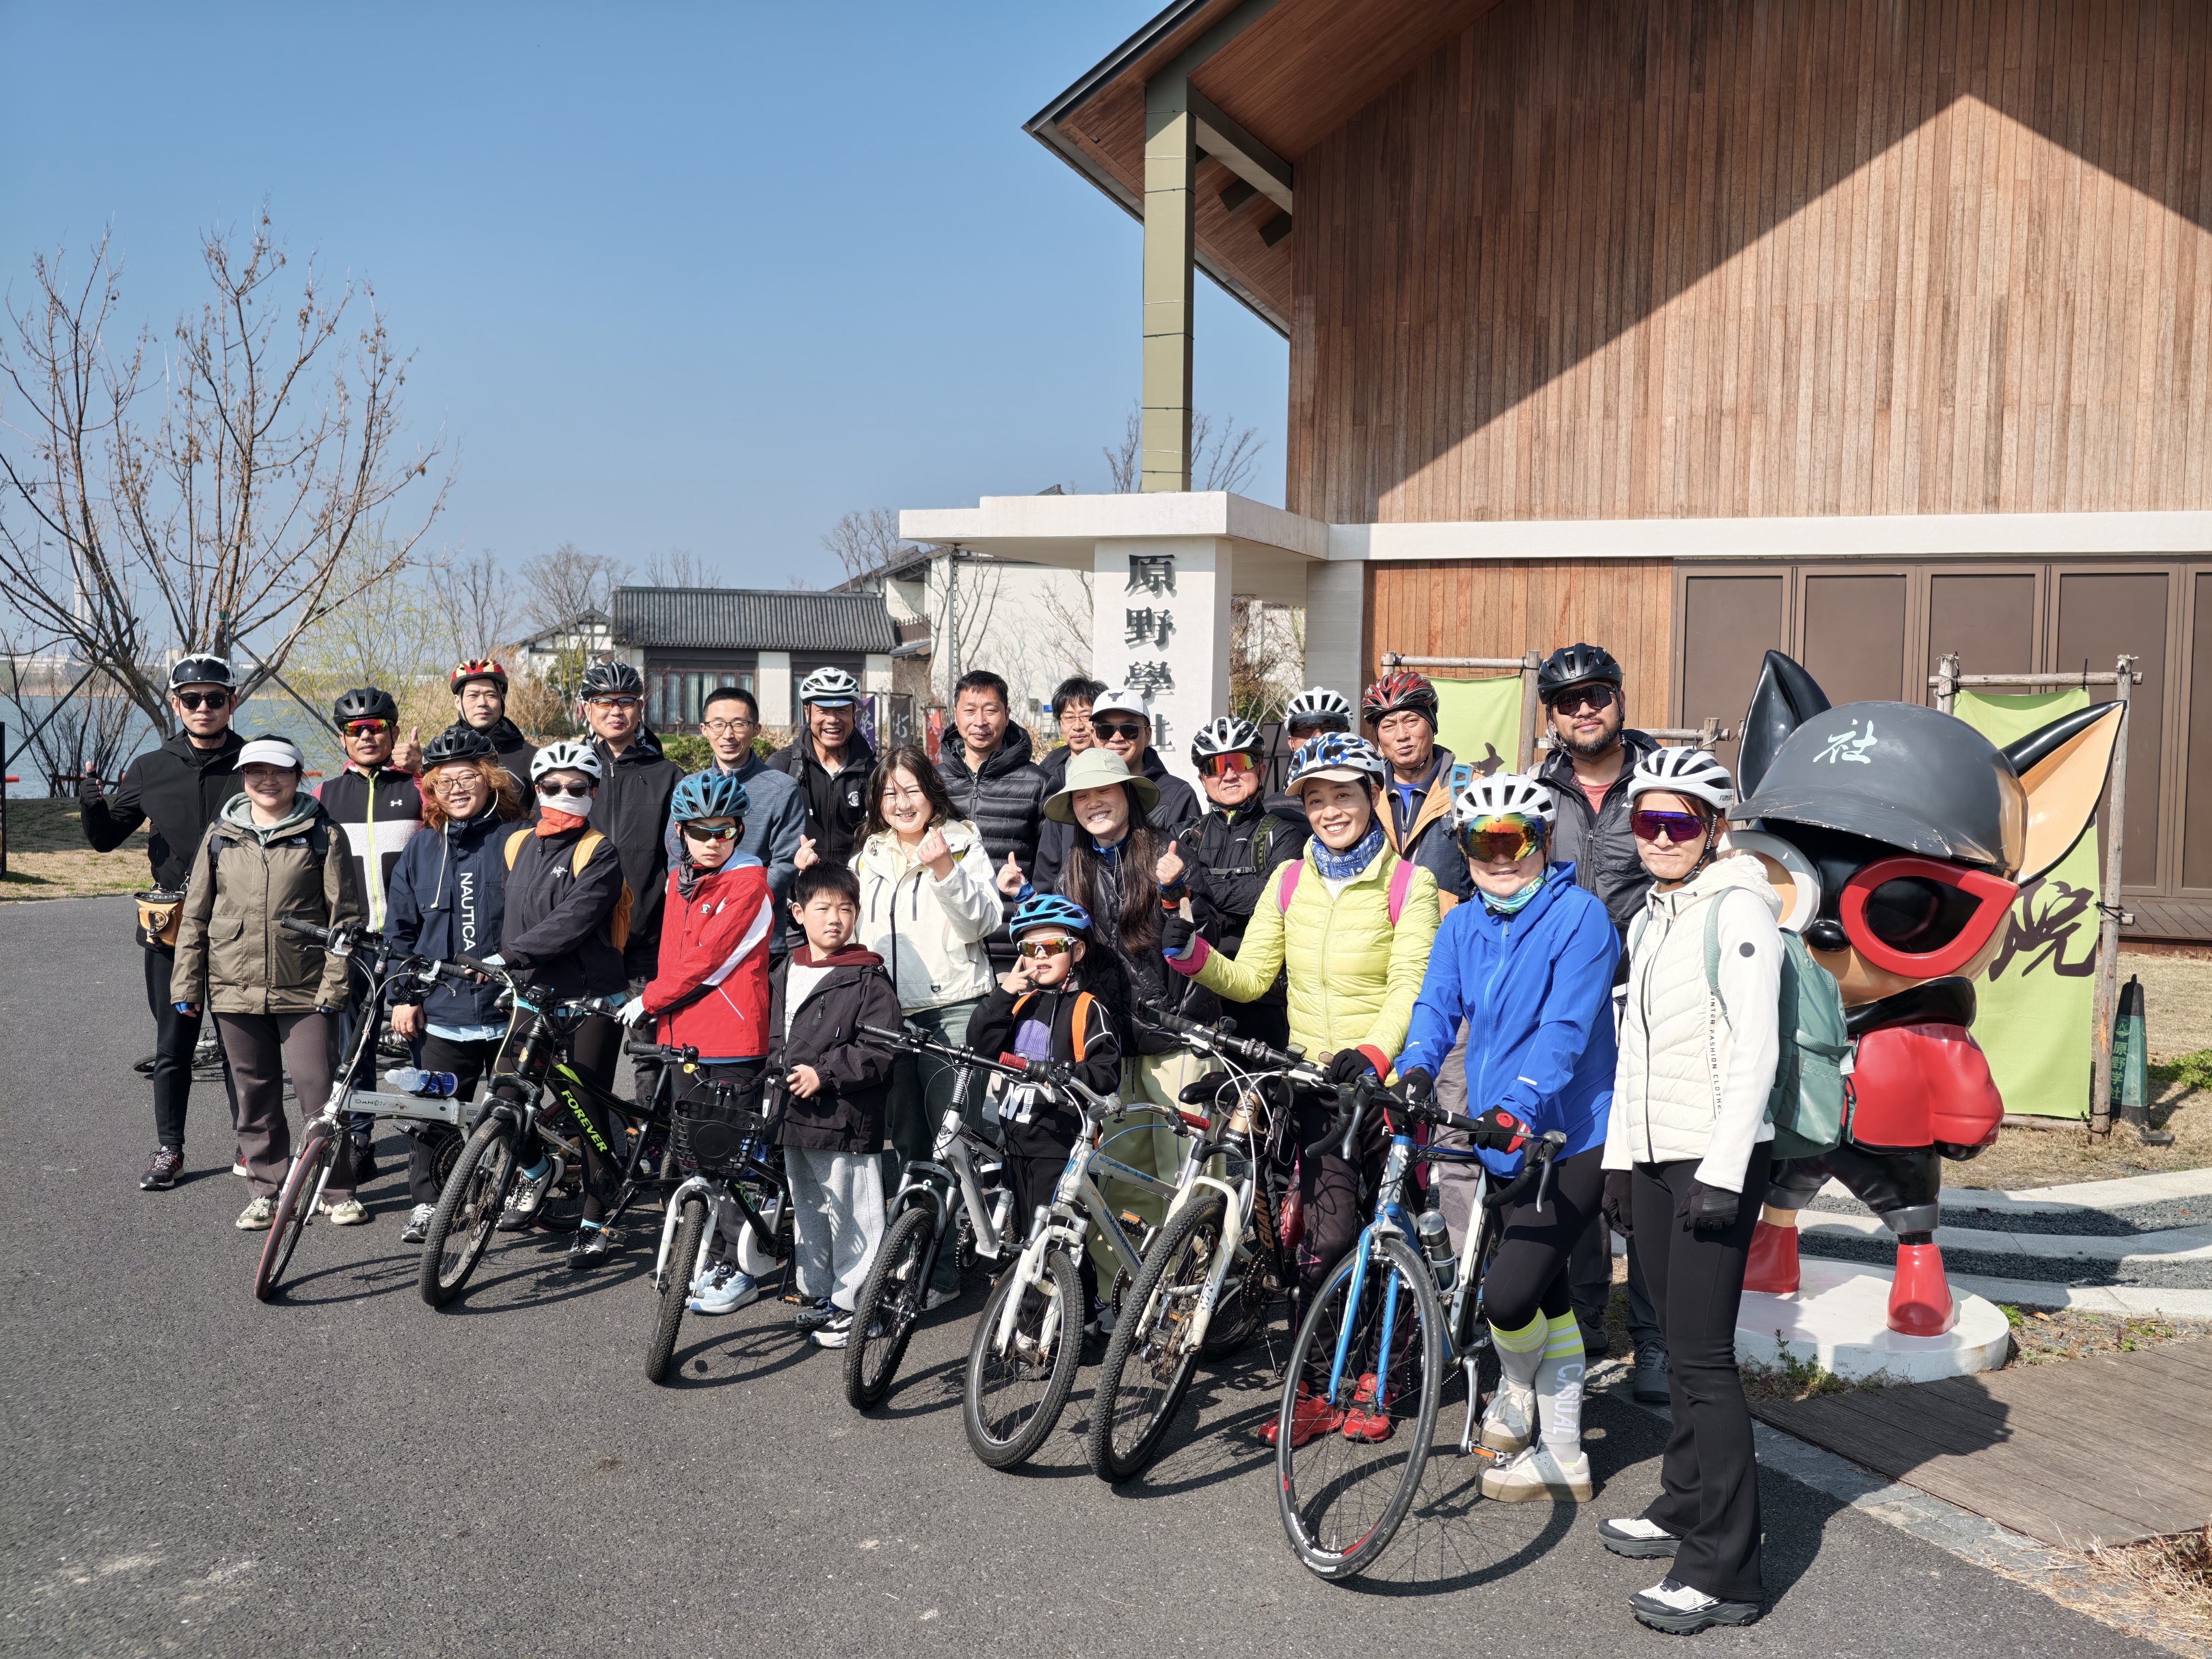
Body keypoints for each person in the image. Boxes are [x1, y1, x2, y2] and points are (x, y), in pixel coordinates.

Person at [1162, 733, 1441, 1444]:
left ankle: (1382, 1378)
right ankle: (1316, 1388)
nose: (1328, 811)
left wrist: (1374, 1053)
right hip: (1317, 1089)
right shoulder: (1290, 882)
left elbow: (1413, 982)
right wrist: (1187, 951)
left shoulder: (1411, 885)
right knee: (1321, 1245)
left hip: (1383, 1093)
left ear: (1370, 796)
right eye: (1316, 800)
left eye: (1343, 796)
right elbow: (1252, 978)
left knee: (1389, 1240)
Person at [1393, 773, 1620, 1502]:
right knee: (1547, 1296)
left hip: (1572, 1136)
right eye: (1479, 843)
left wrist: (1522, 1104)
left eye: (1512, 840)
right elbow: (1435, 1004)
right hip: (1500, 1138)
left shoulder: (1581, 917)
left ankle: (1517, 1393)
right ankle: (1562, 1455)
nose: (1497, 858)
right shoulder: (1463, 924)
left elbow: (1566, 1028)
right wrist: (1415, 1071)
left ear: (1541, 841)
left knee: (1508, 1294)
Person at [1597, 748, 1777, 1635]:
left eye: (1677, 823)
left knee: (1703, 1361)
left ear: (1712, 829)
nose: (1660, 838)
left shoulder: (1738, 907)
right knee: (1670, 1337)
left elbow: (1757, 1049)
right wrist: (1622, 1161)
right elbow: (1635, 1047)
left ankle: (1726, 1570)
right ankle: (1681, 1501)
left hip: (1713, 1161)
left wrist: (1723, 1169)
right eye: (1646, 821)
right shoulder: (1654, 914)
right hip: (1660, 1154)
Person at [1534, 642, 1669, 1395]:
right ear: (1551, 715)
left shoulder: (1661, 784)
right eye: (1568, 700)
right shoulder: (1536, 792)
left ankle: (1654, 1337)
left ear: (1620, 699)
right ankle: (1584, 1321)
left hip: (1650, 1001)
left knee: (1648, 1165)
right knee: (1575, 1161)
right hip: (1568, 1007)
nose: (1584, 709)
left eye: (1597, 695)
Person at [822, 744, 1000, 1287]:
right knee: (905, 1141)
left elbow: (983, 923)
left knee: (949, 1141)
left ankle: (940, 1268)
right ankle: (910, 1246)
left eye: (912, 790)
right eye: (890, 792)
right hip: (887, 1016)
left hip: (954, 1009)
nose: (902, 802)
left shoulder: (964, 843)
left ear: (932, 791)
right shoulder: (865, 857)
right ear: (877, 800)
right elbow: (848, 937)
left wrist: (944, 868)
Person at [169, 737, 365, 1230]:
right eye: (255, 771)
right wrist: (187, 987)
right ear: (244, 777)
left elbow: (346, 921)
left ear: (299, 775)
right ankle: (266, 1188)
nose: (267, 780)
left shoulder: (323, 833)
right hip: (234, 986)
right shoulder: (221, 835)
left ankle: (335, 1188)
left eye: (278, 771)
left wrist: (335, 988)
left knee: (319, 1091)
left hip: (306, 987)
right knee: (254, 1093)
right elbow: (195, 917)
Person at [80, 654, 247, 1193]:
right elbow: (106, 839)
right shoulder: (151, 766)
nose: (204, 707)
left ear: (232, 703)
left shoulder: (253, 763)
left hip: (240, 927)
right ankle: (170, 1149)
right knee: (173, 1043)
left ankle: (252, 1145)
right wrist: (92, 806)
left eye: (215, 698)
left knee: (240, 1046)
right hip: (171, 928)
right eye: (192, 699)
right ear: (176, 705)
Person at [1030, 746, 1203, 1260]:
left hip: (1174, 1039)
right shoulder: (1072, 870)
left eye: (1102, 791)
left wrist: (1178, 893)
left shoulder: (1168, 856)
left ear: (1127, 793)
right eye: (1081, 797)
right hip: (1112, 1046)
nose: (1092, 804)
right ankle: (1119, 1299)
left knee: (1183, 1178)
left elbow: (1199, 945)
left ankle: (1186, 1297)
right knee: (1119, 1177)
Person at [623, 768, 779, 1310]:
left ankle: (739, 1268)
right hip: (682, 1036)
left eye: (725, 830)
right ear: (680, 832)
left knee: (726, 1158)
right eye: (701, 831)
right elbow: (671, 953)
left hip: (731, 1037)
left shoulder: (748, 883)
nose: (714, 841)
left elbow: (707, 962)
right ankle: (704, 1252)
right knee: (692, 1157)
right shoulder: (679, 879)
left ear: (740, 830)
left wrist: (649, 1000)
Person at [383, 725, 524, 1244]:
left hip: (510, 1009)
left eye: (469, 778)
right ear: (432, 792)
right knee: (433, 1115)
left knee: (510, 1113)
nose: (458, 789)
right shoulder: (421, 848)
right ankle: (428, 1202)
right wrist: (402, 997)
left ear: (489, 781)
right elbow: (400, 931)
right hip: (441, 1012)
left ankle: (510, 1185)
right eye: (445, 782)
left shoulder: (518, 840)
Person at [496, 740, 630, 1265]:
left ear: (593, 792)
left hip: (590, 1000)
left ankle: (596, 1218)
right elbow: (502, 913)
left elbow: (574, 920)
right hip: (532, 994)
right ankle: (535, 1171)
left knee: (587, 1108)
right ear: (536, 788)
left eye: (578, 787)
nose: (565, 795)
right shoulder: (516, 844)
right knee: (506, 1093)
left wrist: (510, 953)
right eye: (552, 786)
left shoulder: (599, 851)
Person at [965, 894, 1125, 1330]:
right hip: (1016, 1139)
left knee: (1054, 1238)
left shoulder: (1088, 1007)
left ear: (1076, 951)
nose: (1039, 958)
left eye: (1051, 947)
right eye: (1029, 949)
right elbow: (980, 1043)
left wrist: (1067, 1073)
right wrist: (1001, 996)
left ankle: (1054, 1328)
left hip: (1062, 1144)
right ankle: (1063, 1318)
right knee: (1026, 1234)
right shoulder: (1018, 1003)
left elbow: (1106, 1069)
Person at [763, 860, 900, 1348]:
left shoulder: (868, 977)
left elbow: (882, 1051)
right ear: (799, 913)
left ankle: (860, 1306)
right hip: (791, 1116)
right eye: (822, 908)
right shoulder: (786, 969)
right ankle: (821, 1296)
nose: (834, 919)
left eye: (845, 909)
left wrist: (825, 1074)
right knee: (810, 1210)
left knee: (855, 1215)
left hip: (844, 1118)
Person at [317, 685, 425, 1176]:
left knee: (425, 1043)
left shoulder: (418, 788)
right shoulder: (324, 796)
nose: (365, 736)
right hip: (352, 942)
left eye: (375, 728)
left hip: (412, 941)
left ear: (394, 732)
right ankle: (359, 1138)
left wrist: (423, 771)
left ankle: (432, 1136)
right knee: (354, 1048)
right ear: (342, 739)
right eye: (354, 730)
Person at [1155, 716, 1309, 1053]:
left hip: (1264, 996)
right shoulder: (1184, 835)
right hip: (1196, 992)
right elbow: (1162, 903)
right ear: (1202, 777)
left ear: (1261, 768)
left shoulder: (1284, 834)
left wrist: (1197, 882)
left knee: (1263, 1097)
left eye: (1239, 762)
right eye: (1214, 766)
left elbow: (1273, 897)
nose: (1228, 774)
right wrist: (1242, 886)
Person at [658, 685, 806, 956]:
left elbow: (785, 863)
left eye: (739, 724)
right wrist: (704, 902)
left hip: (759, 934)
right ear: (704, 729)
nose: (728, 734)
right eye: (718, 724)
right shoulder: (689, 787)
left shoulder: (782, 788)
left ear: (756, 729)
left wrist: (734, 905)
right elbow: (675, 856)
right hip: (696, 930)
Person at [1030, 685, 1197, 894]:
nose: (1117, 738)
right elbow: (1047, 878)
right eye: (1105, 730)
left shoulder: (1177, 794)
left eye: (1129, 730)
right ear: (1094, 734)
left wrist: (1173, 893)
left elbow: (1188, 885)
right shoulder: (1069, 792)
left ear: (1147, 735)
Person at [934, 669, 1047, 960]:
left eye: (991, 710)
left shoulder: (1038, 782)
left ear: (1007, 715)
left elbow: (1052, 870)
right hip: (946, 947)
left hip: (1012, 946)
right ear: (956, 716)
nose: (980, 722)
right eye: (969, 710)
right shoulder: (931, 782)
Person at [1361, 669, 1475, 909]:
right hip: (1380, 936)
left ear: (1432, 724)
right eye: (1388, 726)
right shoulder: (1364, 791)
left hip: (1444, 936)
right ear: (1379, 738)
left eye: (1412, 720)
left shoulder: (1470, 788)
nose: (1402, 735)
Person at [769, 666, 876, 868]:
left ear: (854, 712)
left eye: (842, 710)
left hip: (855, 890)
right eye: (823, 710)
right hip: (799, 890)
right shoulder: (782, 767)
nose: (833, 719)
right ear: (807, 711)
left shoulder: (873, 770)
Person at [449, 659, 536, 795]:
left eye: (491, 695)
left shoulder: (532, 758)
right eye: (473, 695)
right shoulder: (443, 755)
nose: (482, 703)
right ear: (458, 702)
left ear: (503, 699)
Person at [1035, 676, 1106, 804]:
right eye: (1069, 718)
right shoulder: (1046, 771)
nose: (1078, 726)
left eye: (1086, 716)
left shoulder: (1115, 765)